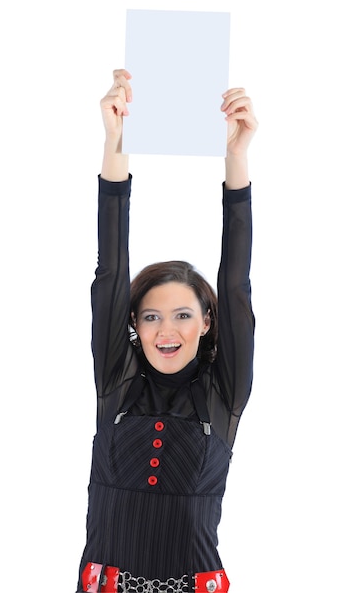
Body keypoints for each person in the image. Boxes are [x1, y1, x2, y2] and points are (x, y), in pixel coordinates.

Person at [76, 69, 258, 593]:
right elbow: (109, 272)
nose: (166, 331)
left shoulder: (224, 392)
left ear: (207, 322)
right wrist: (115, 144)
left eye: (183, 315)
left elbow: (236, 284)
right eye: (151, 317)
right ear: (133, 324)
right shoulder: (117, 380)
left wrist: (237, 159)